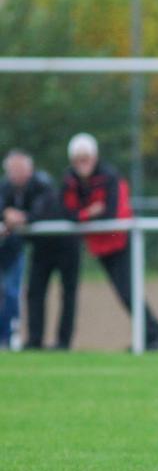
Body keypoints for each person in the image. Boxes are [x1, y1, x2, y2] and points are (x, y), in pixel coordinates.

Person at [61, 133, 158, 350]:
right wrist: (89, 213)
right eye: (78, 158)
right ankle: (150, 333)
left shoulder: (109, 177)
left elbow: (110, 213)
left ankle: (152, 333)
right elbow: (66, 212)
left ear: (94, 156)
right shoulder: (70, 180)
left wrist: (83, 214)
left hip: (119, 242)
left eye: (86, 157)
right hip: (99, 245)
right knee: (124, 293)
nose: (82, 163)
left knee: (128, 292)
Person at [1, 150, 81, 350]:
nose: (16, 174)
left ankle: (63, 343)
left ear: (30, 170)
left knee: (67, 294)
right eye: (12, 170)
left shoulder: (43, 184)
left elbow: (43, 210)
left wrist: (23, 217)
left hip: (65, 245)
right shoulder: (6, 187)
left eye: (20, 169)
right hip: (41, 247)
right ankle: (34, 341)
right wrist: (6, 214)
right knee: (35, 292)